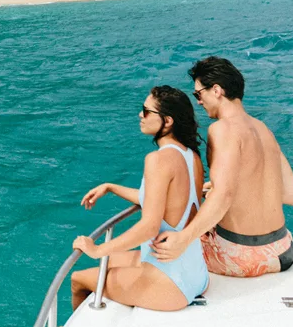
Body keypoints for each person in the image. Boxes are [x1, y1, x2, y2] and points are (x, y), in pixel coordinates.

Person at [151, 57, 293, 276]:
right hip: (284, 249)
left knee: (161, 245)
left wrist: (182, 240)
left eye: (198, 94)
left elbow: (223, 195)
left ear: (217, 90)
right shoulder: (263, 129)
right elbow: (291, 195)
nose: (199, 102)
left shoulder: (221, 129)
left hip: (243, 257)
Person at [69, 86, 209, 311]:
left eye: (146, 111)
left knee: (78, 279)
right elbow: (165, 201)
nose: (140, 115)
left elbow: (149, 227)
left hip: (171, 284)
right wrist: (112, 187)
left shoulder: (157, 159)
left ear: (168, 121)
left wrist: (97, 250)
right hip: (196, 274)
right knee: (111, 262)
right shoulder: (191, 156)